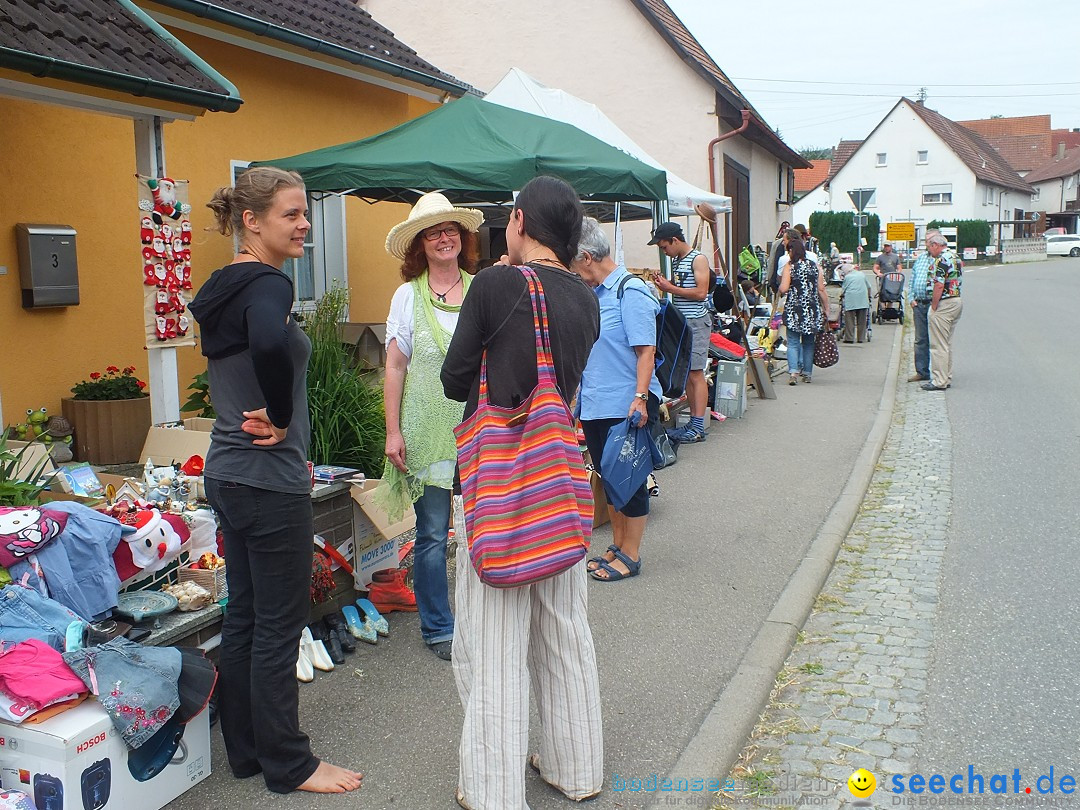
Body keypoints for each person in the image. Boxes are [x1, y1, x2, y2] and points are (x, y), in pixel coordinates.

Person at [190, 167, 362, 795]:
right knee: (279, 625)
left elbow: (248, 351)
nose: (304, 224)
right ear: (251, 221)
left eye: (306, 214)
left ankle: (247, 752)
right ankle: (291, 763)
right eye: (291, 214)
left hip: (228, 475)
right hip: (265, 480)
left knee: (246, 618)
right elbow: (267, 340)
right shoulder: (266, 283)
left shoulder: (221, 286)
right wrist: (285, 417)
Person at [442, 175, 603, 810]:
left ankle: (493, 791)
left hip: (504, 486)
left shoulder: (496, 284)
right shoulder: (586, 297)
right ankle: (576, 767)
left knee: (497, 639)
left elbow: (458, 380)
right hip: (558, 487)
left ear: (518, 221)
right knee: (565, 629)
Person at [379, 192, 484, 660]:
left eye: (451, 230)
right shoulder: (407, 296)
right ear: (420, 244)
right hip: (425, 430)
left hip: (478, 427)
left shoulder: (482, 288)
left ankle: (484, 621)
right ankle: (439, 627)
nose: (444, 238)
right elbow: (395, 367)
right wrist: (392, 431)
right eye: (433, 232)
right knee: (433, 533)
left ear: (463, 238)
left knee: (483, 529)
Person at [571, 217, 662, 583]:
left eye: (574, 264)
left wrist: (640, 399)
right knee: (610, 479)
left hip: (627, 405)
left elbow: (646, 352)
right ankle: (618, 545)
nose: (574, 272)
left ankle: (632, 553)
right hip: (596, 403)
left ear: (588, 257)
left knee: (631, 480)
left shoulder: (631, 291)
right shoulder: (593, 296)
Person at [647, 221, 711, 444]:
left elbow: (701, 292)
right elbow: (685, 286)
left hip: (696, 322)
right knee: (688, 374)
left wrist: (670, 288)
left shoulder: (698, 259)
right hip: (684, 323)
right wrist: (666, 283)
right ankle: (694, 424)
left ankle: (698, 425)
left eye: (665, 246)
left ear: (674, 240)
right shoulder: (678, 260)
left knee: (695, 373)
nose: (664, 251)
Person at [779, 238, 829, 385]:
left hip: (795, 309)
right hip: (812, 309)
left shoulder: (790, 266)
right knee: (808, 343)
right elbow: (821, 289)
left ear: (791, 251)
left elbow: (783, 288)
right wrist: (826, 308)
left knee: (793, 342)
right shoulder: (815, 266)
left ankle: (794, 372)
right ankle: (807, 373)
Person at [923, 233, 963, 391]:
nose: (929, 250)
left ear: (935, 245)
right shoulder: (955, 257)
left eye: (929, 247)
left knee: (938, 344)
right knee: (947, 343)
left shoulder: (941, 260)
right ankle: (947, 376)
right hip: (956, 300)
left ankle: (939, 380)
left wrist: (934, 305)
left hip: (944, 303)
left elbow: (939, 284)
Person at [906, 230, 939, 382]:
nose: (927, 244)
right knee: (920, 340)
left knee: (937, 340)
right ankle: (922, 371)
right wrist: (911, 299)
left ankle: (938, 373)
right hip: (919, 304)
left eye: (929, 241)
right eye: (926, 241)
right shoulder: (921, 259)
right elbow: (912, 279)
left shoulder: (941, 260)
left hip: (935, 305)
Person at [840, 263, 873, 343]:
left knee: (850, 320)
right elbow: (869, 286)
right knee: (862, 320)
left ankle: (849, 338)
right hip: (863, 300)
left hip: (851, 300)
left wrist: (841, 296)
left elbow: (843, 289)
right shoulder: (862, 274)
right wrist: (869, 297)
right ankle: (861, 338)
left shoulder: (847, 277)